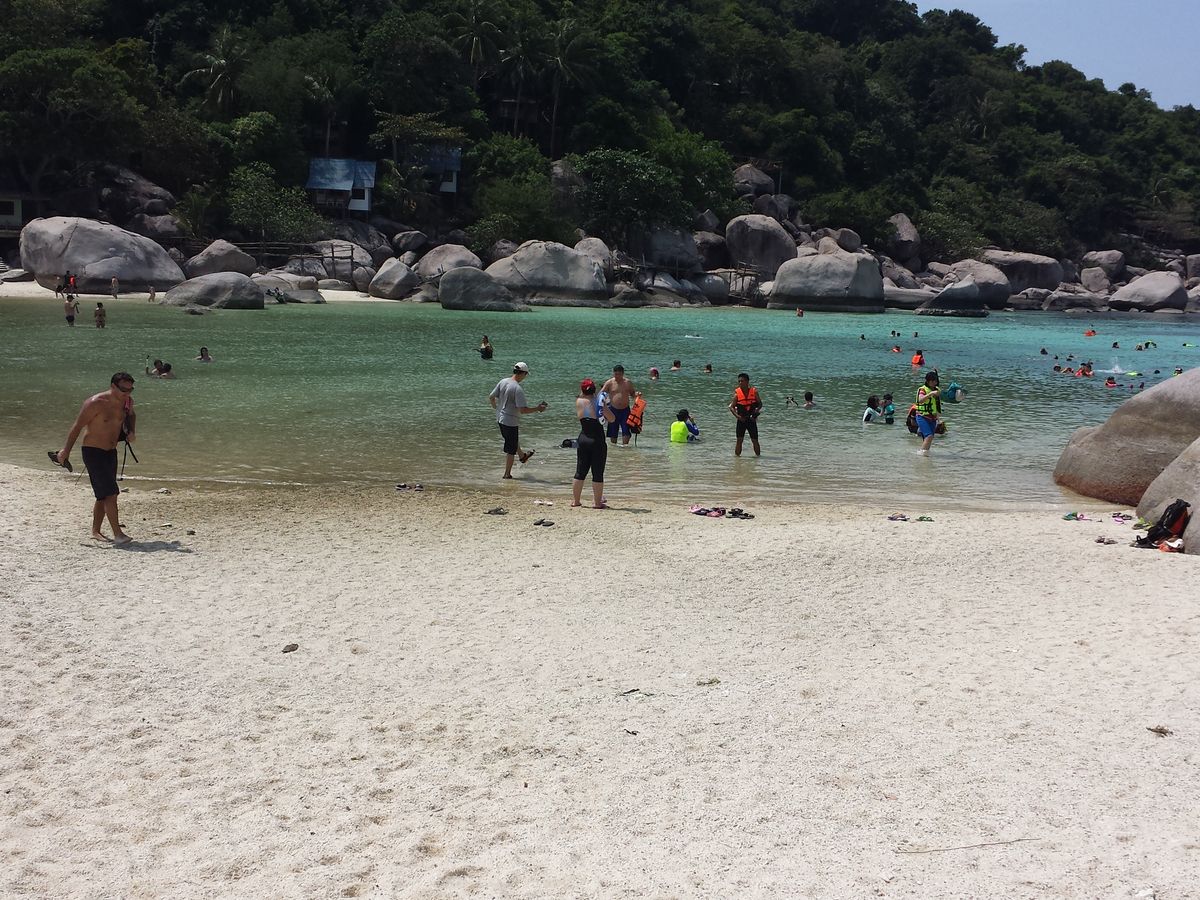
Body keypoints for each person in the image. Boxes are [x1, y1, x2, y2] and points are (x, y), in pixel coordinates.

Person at [55, 372, 137, 544]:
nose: (127, 393)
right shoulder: (95, 403)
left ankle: (96, 531)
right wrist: (65, 451)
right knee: (111, 493)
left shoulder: (127, 402)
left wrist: (131, 431)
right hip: (93, 452)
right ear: (113, 386)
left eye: (130, 390)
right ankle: (118, 534)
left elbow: (131, 415)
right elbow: (77, 426)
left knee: (102, 495)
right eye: (124, 389)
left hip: (111, 452)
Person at [488, 362, 547, 478]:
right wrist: (538, 408)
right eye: (526, 374)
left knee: (512, 440)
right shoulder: (517, 389)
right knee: (510, 449)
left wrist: (496, 408)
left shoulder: (503, 381)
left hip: (500, 418)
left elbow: (491, 397)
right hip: (510, 421)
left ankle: (522, 456)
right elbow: (523, 410)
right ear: (523, 374)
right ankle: (507, 474)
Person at [572, 378, 614, 508]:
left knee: (580, 472)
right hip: (597, 440)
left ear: (582, 390)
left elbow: (585, 401)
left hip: (583, 438)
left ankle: (576, 501)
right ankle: (597, 503)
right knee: (597, 473)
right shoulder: (598, 403)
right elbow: (612, 419)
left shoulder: (578, 401)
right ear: (594, 390)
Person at [729, 372, 762, 457]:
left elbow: (760, 404)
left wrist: (756, 411)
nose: (740, 383)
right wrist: (738, 417)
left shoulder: (754, 392)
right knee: (739, 440)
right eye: (739, 381)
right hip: (741, 420)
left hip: (751, 419)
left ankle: (758, 458)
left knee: (755, 440)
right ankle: (737, 459)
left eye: (742, 381)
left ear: (747, 382)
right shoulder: (737, 394)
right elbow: (731, 407)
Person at [600, 365, 636, 445]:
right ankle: (614, 449)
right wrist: (602, 407)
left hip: (625, 410)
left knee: (626, 431)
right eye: (615, 374)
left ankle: (625, 447)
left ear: (622, 374)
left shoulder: (627, 383)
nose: (617, 376)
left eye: (619, 374)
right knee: (613, 432)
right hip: (613, 410)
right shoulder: (609, 383)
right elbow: (601, 394)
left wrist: (637, 396)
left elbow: (633, 393)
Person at [914, 371, 942, 455]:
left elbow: (938, 403)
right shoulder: (923, 390)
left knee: (929, 438)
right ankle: (921, 455)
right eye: (932, 381)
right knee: (929, 436)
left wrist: (938, 419)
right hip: (922, 416)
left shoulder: (937, 390)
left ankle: (925, 456)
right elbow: (920, 400)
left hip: (933, 418)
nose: (934, 383)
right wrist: (930, 394)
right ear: (928, 381)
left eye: (935, 381)